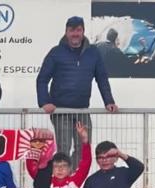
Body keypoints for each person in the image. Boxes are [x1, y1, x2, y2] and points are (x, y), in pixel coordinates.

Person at [37, 16, 117, 165]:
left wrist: (109, 101)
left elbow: (102, 78)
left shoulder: (93, 52)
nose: (75, 34)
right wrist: (45, 101)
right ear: (66, 32)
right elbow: (42, 79)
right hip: (60, 111)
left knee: (83, 148)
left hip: (82, 110)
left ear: (83, 31)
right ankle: (62, 182)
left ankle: (73, 181)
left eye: (78, 30)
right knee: (64, 149)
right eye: (72, 30)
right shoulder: (56, 52)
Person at [26, 122, 91, 188]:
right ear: (51, 169)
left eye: (64, 166)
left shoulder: (74, 181)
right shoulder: (46, 182)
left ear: (69, 169)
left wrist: (85, 140)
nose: (60, 169)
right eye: (56, 166)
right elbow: (32, 169)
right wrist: (33, 146)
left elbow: (86, 163)